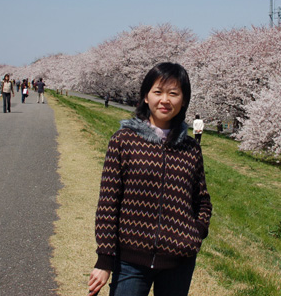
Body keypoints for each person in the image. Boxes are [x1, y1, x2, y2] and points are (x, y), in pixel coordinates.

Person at [88, 62, 212, 296]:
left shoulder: (191, 149)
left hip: (179, 262)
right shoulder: (123, 141)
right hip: (129, 261)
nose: (165, 100)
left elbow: (202, 201)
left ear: (183, 101)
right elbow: (108, 203)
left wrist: (196, 232)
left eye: (173, 93)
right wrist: (104, 259)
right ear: (146, 96)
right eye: (158, 92)